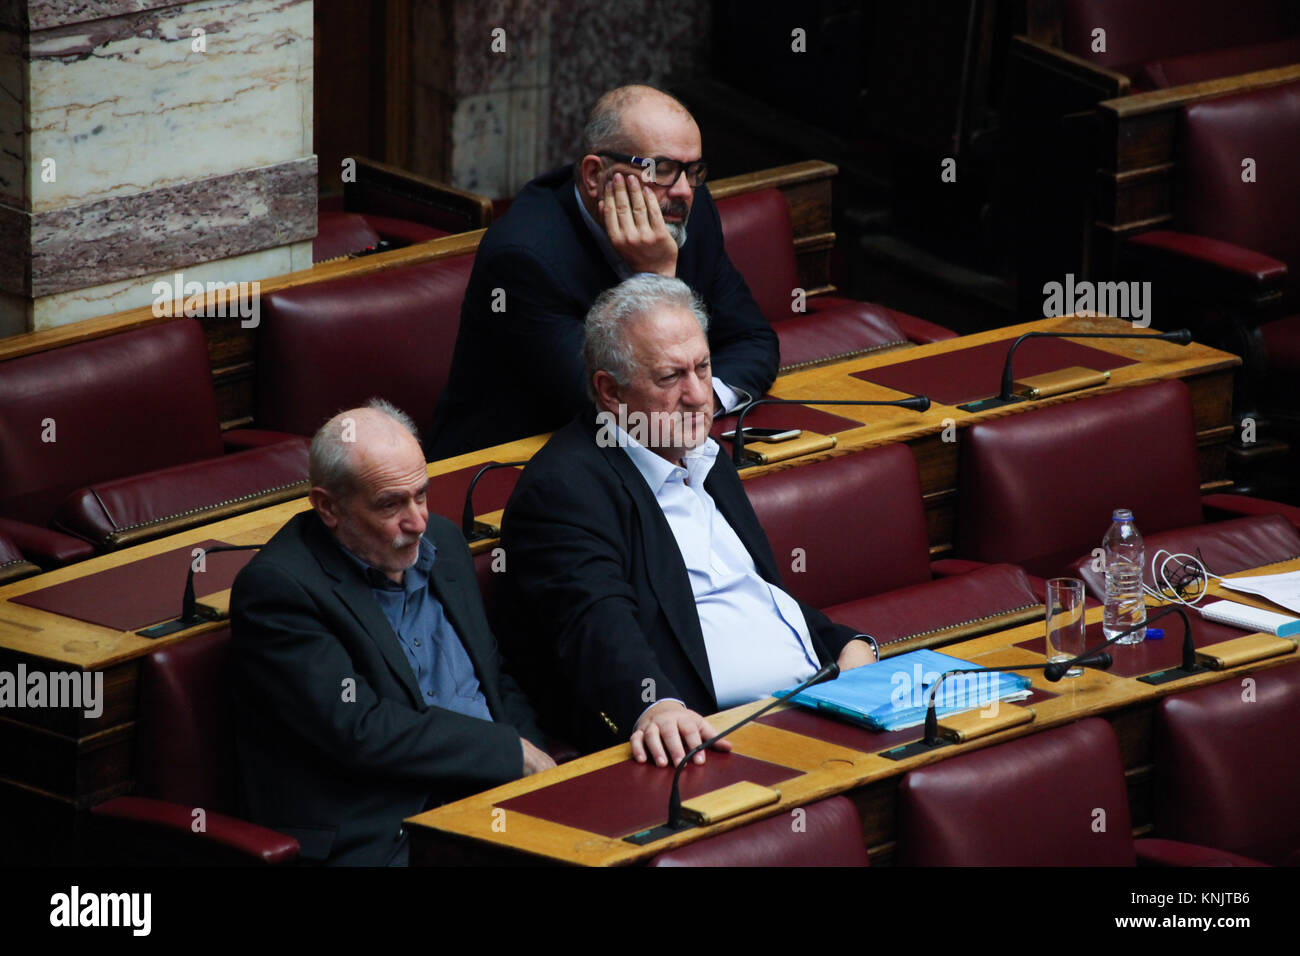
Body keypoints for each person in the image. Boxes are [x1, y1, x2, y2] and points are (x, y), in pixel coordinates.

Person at [501, 275, 876, 767]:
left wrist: (844, 643)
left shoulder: (704, 456)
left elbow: (753, 592)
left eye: (703, 367)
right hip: (718, 737)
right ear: (610, 392)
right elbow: (595, 624)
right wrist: (655, 706)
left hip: (821, 701)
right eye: (671, 377)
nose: (700, 395)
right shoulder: (566, 490)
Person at [230, 400, 554, 866]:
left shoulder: (442, 544)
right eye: (390, 505)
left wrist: (537, 766)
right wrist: (507, 752)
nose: (417, 521)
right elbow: (359, 728)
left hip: (490, 802)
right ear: (328, 507)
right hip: (387, 833)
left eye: (421, 494)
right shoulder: (280, 590)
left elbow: (494, 673)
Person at [426, 84, 778, 460]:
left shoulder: (690, 212)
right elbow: (609, 408)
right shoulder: (524, 258)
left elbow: (754, 340)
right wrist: (657, 280)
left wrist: (704, 404)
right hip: (504, 473)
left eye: (693, 171)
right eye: (662, 169)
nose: (684, 190)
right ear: (595, 175)